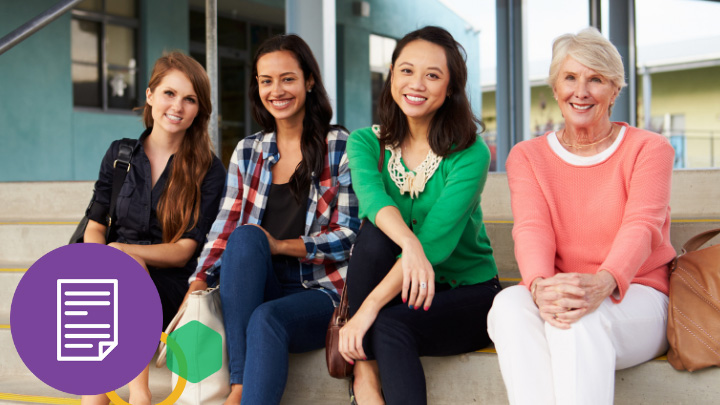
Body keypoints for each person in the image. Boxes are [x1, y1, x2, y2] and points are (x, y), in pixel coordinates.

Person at [487, 27, 675, 405]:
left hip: (635, 294)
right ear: (555, 88)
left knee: (575, 323)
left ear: (615, 90)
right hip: (559, 292)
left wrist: (603, 283)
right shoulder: (528, 156)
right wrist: (539, 285)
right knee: (508, 306)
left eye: (596, 79)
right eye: (570, 78)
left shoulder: (648, 149)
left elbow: (642, 225)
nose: (581, 91)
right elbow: (532, 227)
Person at [186, 34, 360, 405]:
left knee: (267, 318)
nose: (276, 90)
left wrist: (282, 245)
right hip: (256, 281)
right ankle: (240, 385)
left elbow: (350, 234)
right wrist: (198, 280)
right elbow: (225, 224)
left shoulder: (340, 145)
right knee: (246, 237)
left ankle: (241, 392)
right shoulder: (249, 150)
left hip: (321, 290)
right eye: (266, 81)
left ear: (309, 81)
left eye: (287, 79)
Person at [340, 26, 501, 405]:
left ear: (451, 87)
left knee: (389, 324)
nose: (417, 83)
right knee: (375, 233)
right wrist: (409, 243)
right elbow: (374, 201)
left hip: (466, 293)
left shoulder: (470, 152)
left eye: (433, 75)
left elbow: (436, 243)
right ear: (392, 74)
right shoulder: (365, 142)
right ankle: (363, 377)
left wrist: (366, 310)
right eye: (407, 70)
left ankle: (366, 368)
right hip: (401, 286)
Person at [81, 52, 226, 405]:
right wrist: (104, 260)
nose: (178, 106)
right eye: (169, 94)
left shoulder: (208, 170)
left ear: (198, 110)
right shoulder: (119, 155)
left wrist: (122, 254)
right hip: (113, 280)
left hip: (169, 288)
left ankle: (137, 394)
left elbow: (184, 251)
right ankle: (97, 394)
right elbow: (95, 226)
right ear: (149, 96)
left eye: (190, 99)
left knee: (124, 268)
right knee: (109, 275)